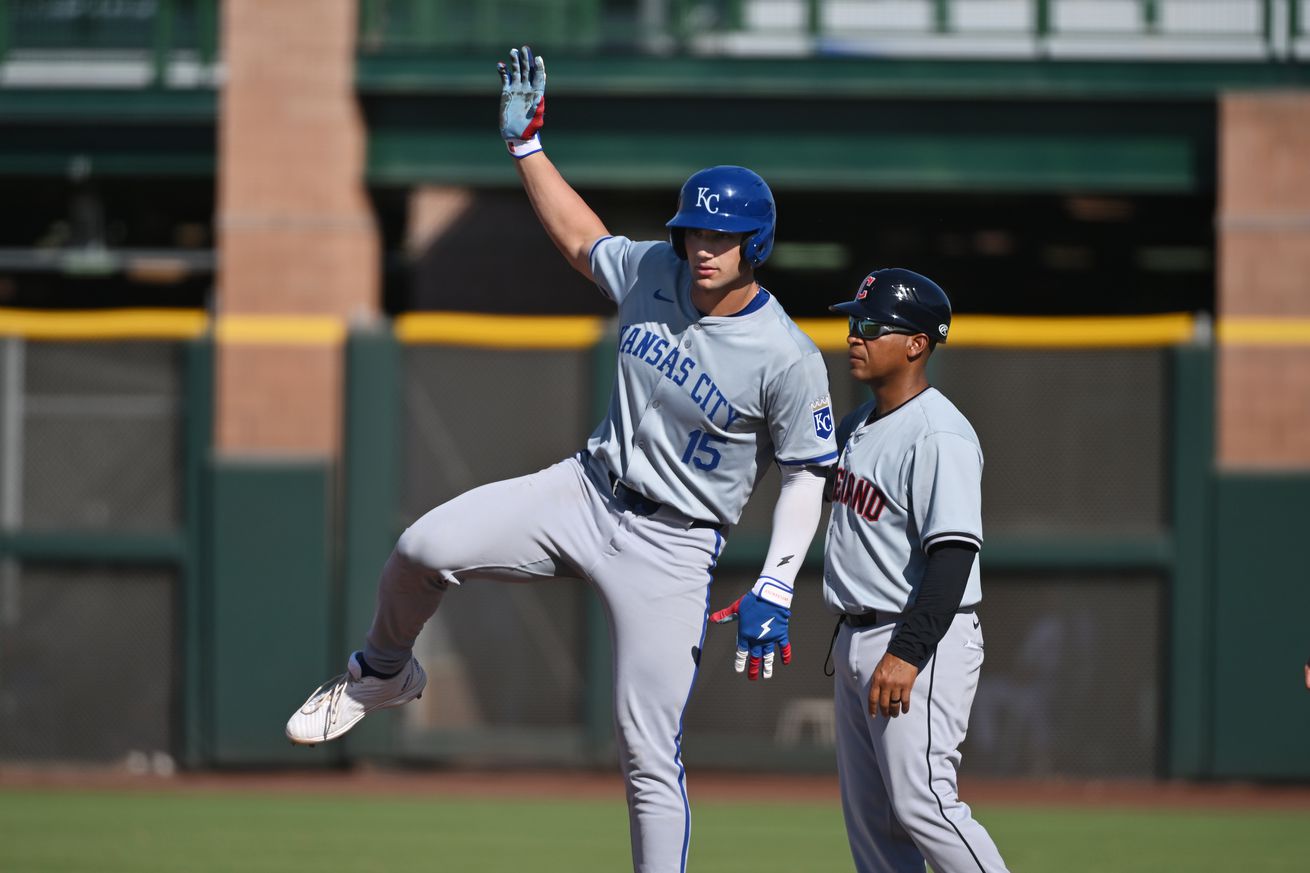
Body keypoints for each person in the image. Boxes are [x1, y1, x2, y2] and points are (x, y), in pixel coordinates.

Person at [285, 46, 838, 873]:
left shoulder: (785, 354)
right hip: (586, 490)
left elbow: (807, 471)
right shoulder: (655, 269)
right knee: (422, 549)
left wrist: (775, 581)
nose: (702, 248)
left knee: (647, 750)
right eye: (694, 232)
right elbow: (583, 238)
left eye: (722, 236)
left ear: (755, 242)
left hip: (676, 545)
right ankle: (383, 671)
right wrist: (526, 150)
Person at [822, 269, 1010, 873]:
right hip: (855, 635)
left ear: (916, 343)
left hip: (915, 639)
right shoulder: (858, 426)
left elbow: (953, 556)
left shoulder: (939, 434)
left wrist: (906, 652)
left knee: (923, 804)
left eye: (871, 325)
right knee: (875, 828)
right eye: (854, 322)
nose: (855, 334)